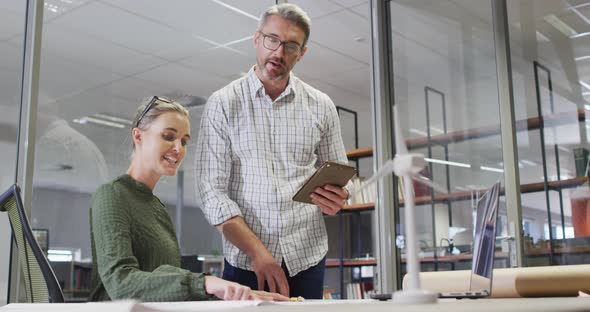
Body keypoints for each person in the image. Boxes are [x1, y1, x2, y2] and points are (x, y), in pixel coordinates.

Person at [195, 3, 349, 299]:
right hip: (244, 261)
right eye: (272, 40)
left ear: (302, 53)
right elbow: (211, 191)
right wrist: (258, 253)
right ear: (257, 39)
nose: (278, 52)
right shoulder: (224, 103)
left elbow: (338, 173)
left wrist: (337, 197)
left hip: (306, 256)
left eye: (290, 46)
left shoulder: (321, 105)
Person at [89, 96, 288, 302]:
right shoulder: (112, 195)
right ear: (138, 137)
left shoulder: (155, 206)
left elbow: (166, 290)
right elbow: (121, 283)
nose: (178, 148)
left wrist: (236, 296)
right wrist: (204, 283)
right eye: (168, 136)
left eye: (184, 141)